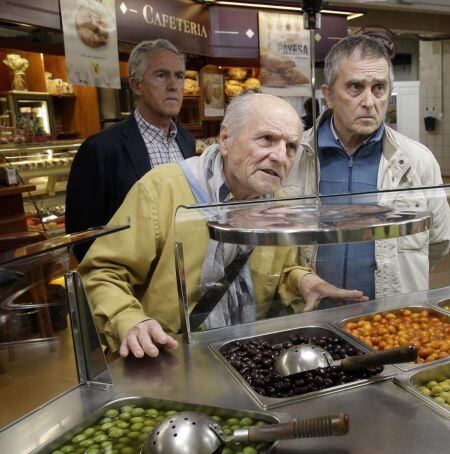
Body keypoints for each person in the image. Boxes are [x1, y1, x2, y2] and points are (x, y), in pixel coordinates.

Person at [79, 93, 366, 359]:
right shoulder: (162, 190)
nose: (281, 156)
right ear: (226, 139)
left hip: (246, 356)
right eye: (267, 139)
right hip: (167, 357)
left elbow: (282, 268)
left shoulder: (277, 204)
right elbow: (103, 272)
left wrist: (306, 282)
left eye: (291, 146)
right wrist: (129, 321)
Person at [285, 35, 450, 299]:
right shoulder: (292, 157)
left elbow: (438, 242)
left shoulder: (418, 161)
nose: (369, 101)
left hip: (388, 320)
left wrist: (398, 272)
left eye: (379, 88)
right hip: (310, 316)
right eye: (355, 87)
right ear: (328, 96)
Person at [66, 39, 196, 261]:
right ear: (136, 85)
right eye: (162, 75)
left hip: (183, 273)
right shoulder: (101, 149)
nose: (174, 85)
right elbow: (82, 236)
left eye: (180, 76)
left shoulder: (186, 141)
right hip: (130, 281)